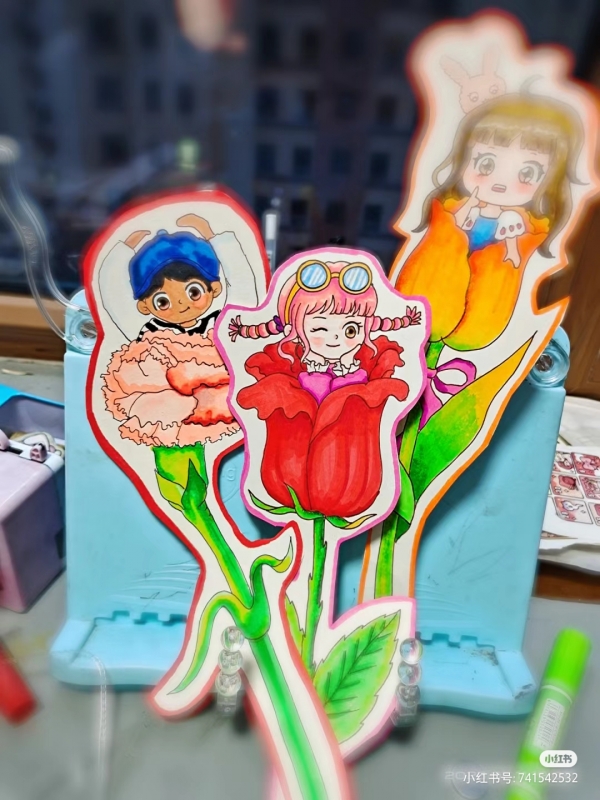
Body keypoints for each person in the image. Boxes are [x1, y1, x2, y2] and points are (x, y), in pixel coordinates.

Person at [398, 92, 583, 351]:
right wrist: (458, 220)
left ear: (549, 182)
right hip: (436, 289)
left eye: (527, 173)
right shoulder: (451, 210)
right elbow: (445, 237)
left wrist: (511, 248)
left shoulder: (522, 225)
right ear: (463, 159)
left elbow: (512, 255)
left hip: (481, 313)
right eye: (486, 164)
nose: (500, 182)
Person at [229, 258, 421, 403]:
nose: (335, 338)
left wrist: (407, 321)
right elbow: (264, 329)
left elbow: (386, 324)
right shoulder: (299, 365)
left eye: (351, 330)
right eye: (319, 329)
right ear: (294, 328)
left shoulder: (358, 365)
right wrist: (242, 330)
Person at [99, 214, 258, 342]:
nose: (181, 304)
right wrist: (121, 253)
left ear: (215, 289)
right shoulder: (152, 334)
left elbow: (243, 293)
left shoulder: (219, 325)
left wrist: (212, 235)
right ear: (144, 306)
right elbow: (117, 302)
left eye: (194, 292)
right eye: (162, 302)